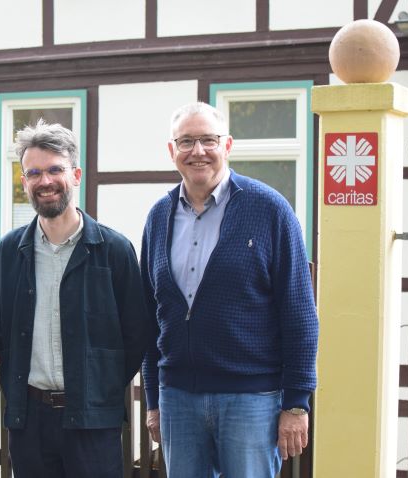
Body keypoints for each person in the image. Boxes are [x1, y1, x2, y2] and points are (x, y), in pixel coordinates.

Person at [0, 120, 151, 478]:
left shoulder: (114, 250)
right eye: (34, 173)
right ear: (24, 182)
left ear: (75, 175)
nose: (45, 181)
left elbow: (136, 335)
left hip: (92, 419)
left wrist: (99, 385)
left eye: (55, 169)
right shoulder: (10, 251)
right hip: (29, 420)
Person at [140, 102, 319, 477]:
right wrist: (153, 398)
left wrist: (296, 403)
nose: (198, 151)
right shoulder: (158, 217)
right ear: (172, 151)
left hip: (251, 400)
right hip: (178, 400)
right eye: (186, 141)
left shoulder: (269, 209)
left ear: (228, 145)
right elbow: (149, 317)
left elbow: (300, 314)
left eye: (208, 139)